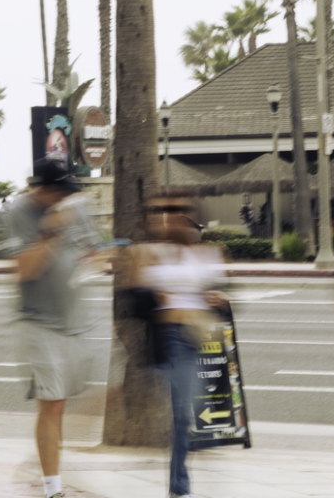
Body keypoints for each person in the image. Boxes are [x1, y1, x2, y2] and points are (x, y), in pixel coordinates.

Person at [3, 158, 109, 498]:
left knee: (64, 402)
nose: (66, 198)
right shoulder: (19, 213)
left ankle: (45, 459)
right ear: (42, 189)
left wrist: (103, 259)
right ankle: (53, 488)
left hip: (75, 321)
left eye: (69, 192)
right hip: (37, 320)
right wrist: (51, 230)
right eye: (60, 192)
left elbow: (94, 254)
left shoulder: (76, 207)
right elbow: (25, 270)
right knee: (51, 403)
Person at [132, 196, 226, 498]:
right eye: (165, 212)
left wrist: (218, 300)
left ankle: (178, 486)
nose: (173, 219)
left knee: (184, 414)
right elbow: (133, 303)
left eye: (180, 213)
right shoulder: (148, 253)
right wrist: (154, 296)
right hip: (168, 337)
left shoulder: (207, 255)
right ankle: (180, 487)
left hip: (194, 336)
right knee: (183, 413)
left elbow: (226, 301)